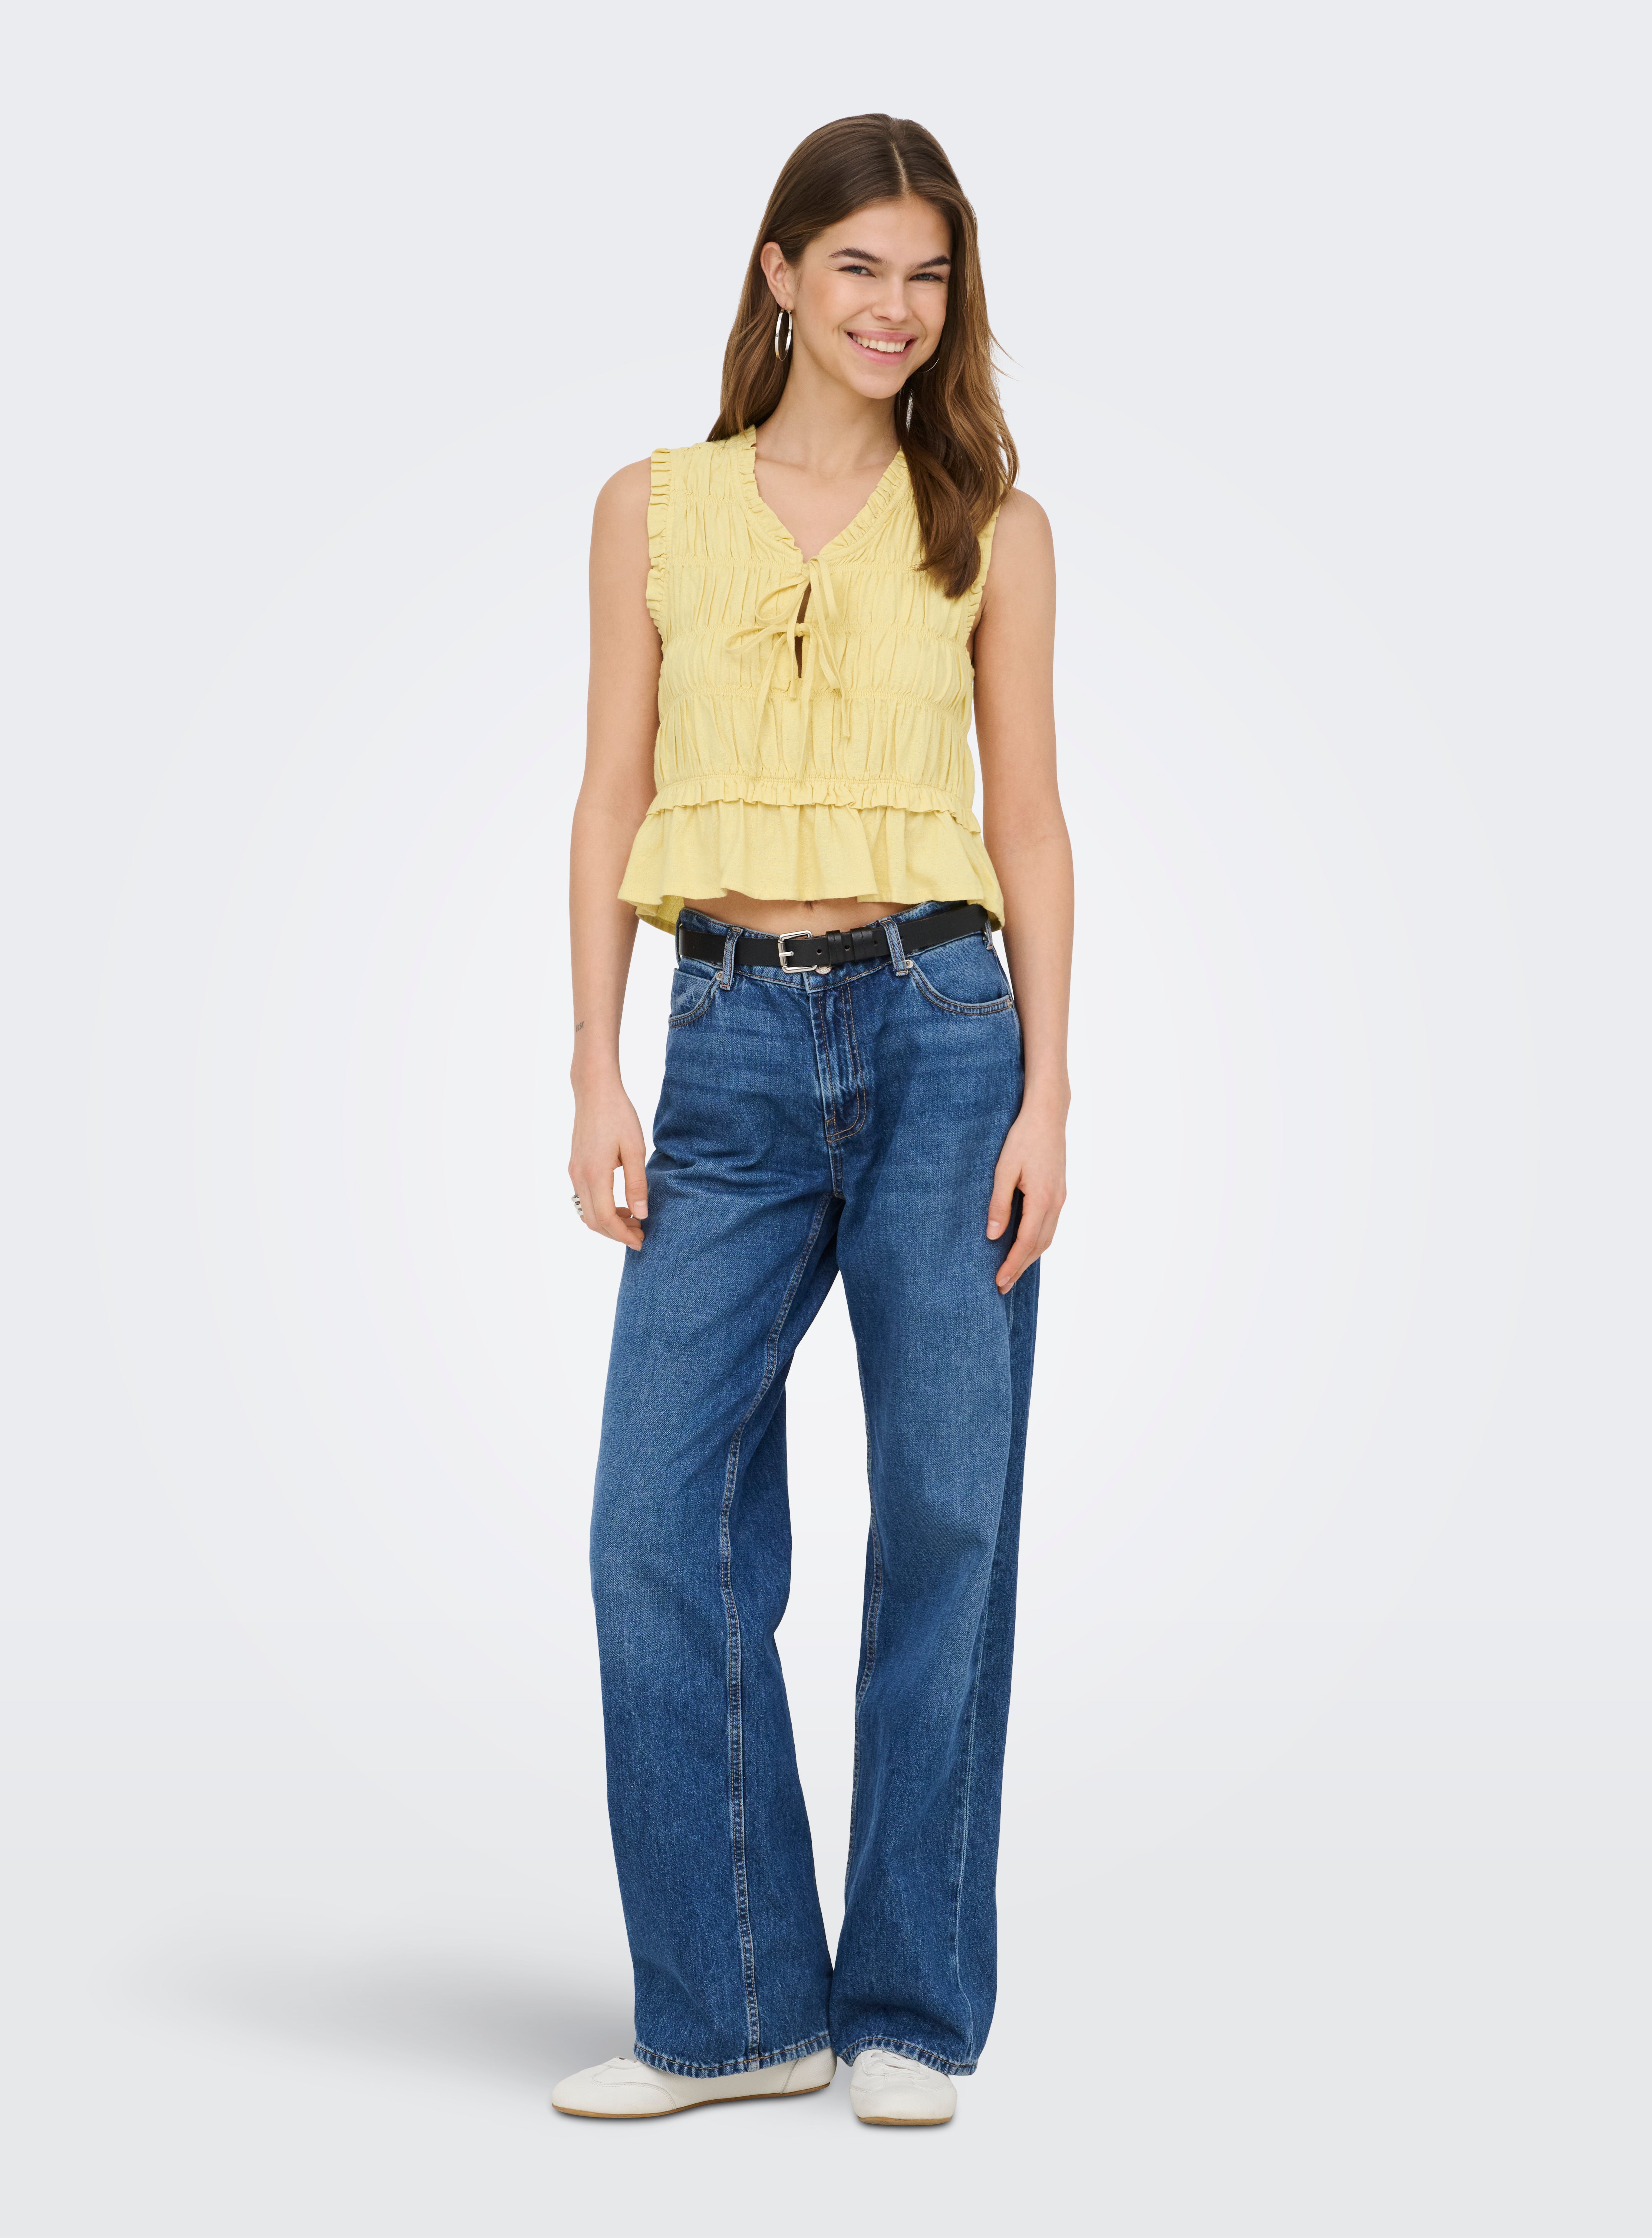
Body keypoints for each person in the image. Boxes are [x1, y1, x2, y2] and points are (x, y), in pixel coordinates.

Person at [554, 112, 1071, 2128]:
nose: (894, 308)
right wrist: (593, 1063)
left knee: (949, 1513)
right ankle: (738, 2007)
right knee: (652, 1523)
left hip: (948, 1034)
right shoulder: (654, 508)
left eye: (928, 275)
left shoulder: (993, 525)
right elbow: (610, 795)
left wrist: (1051, 1085)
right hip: (727, 1043)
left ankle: (911, 2011)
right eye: (859, 265)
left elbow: (1031, 819)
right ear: (780, 272)